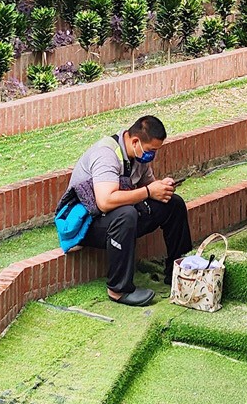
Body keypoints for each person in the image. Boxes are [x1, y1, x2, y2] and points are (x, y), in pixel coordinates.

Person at [68, 115, 191, 306]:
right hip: (87, 224)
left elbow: (147, 186)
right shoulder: (106, 154)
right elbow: (105, 201)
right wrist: (149, 191)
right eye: (152, 150)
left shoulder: (139, 156)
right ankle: (118, 289)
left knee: (173, 203)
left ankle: (178, 271)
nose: (153, 155)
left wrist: (161, 187)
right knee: (126, 214)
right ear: (135, 141)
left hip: (114, 217)